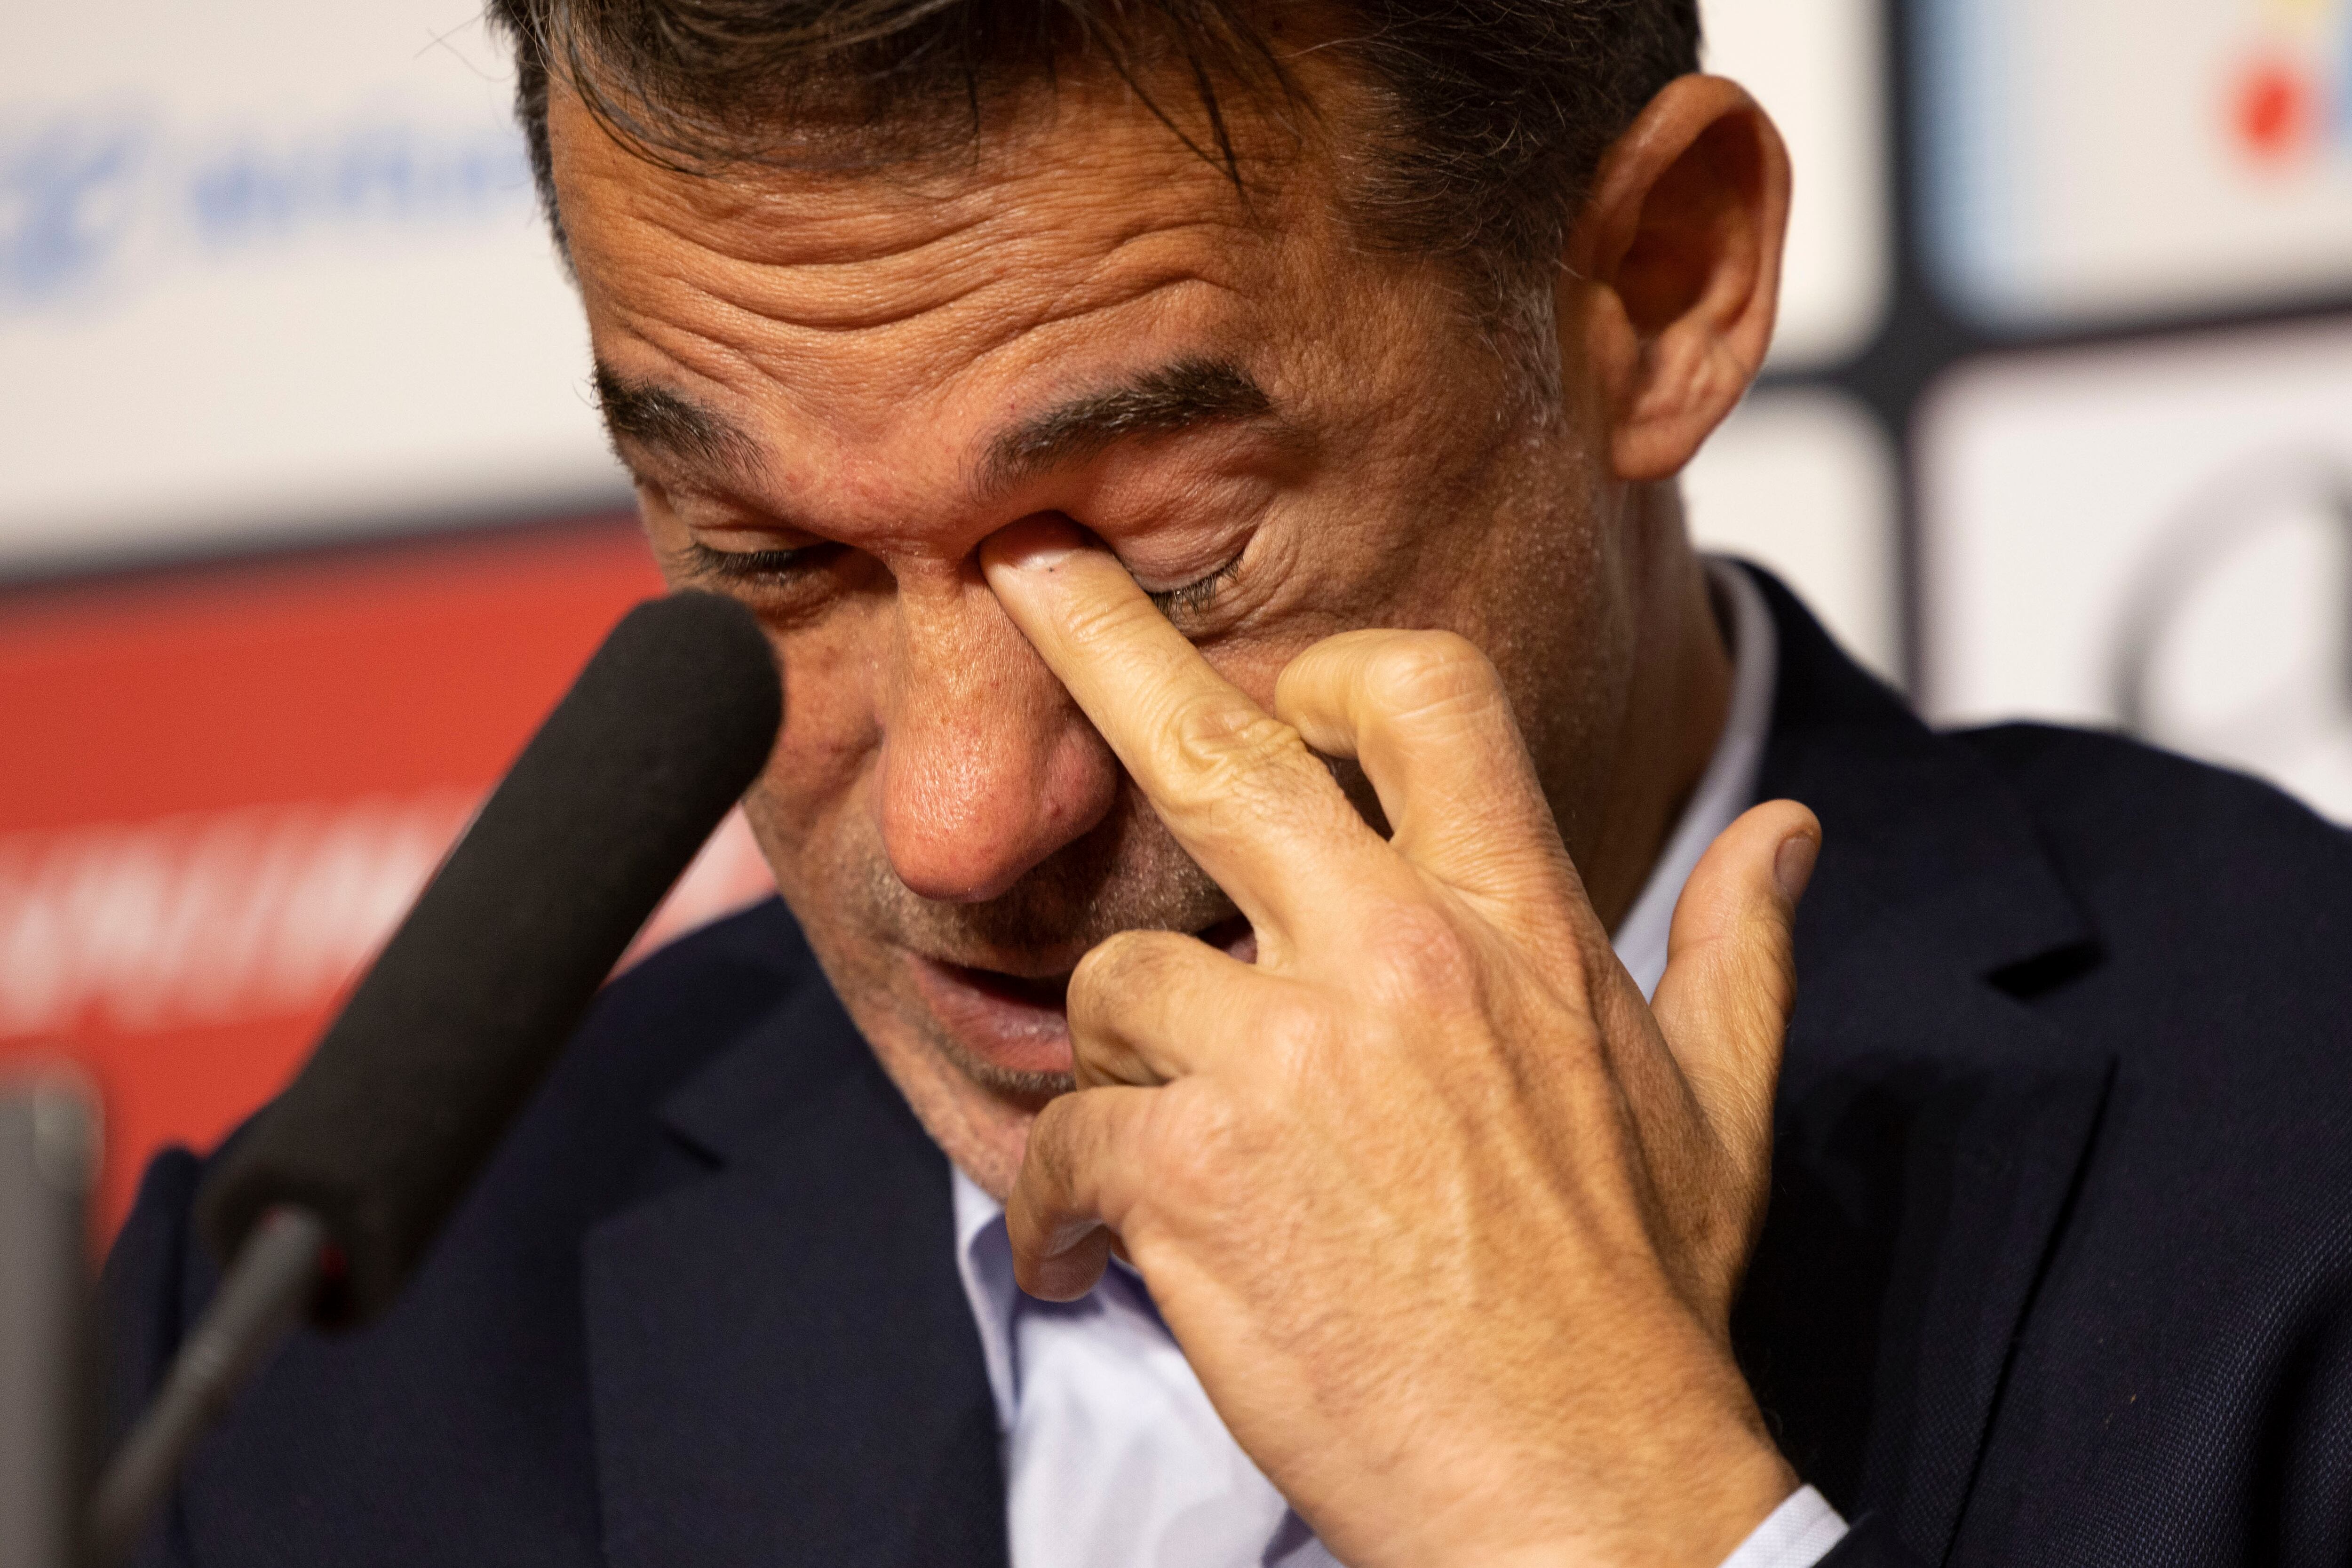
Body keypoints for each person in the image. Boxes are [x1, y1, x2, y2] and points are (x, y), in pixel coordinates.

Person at [103, 3, 2352, 1565]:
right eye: (766, 564)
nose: (961, 830)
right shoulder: (304, 1367)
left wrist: (1610, 1528)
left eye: (1158, 566)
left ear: (1653, 291)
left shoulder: (2296, 1141)